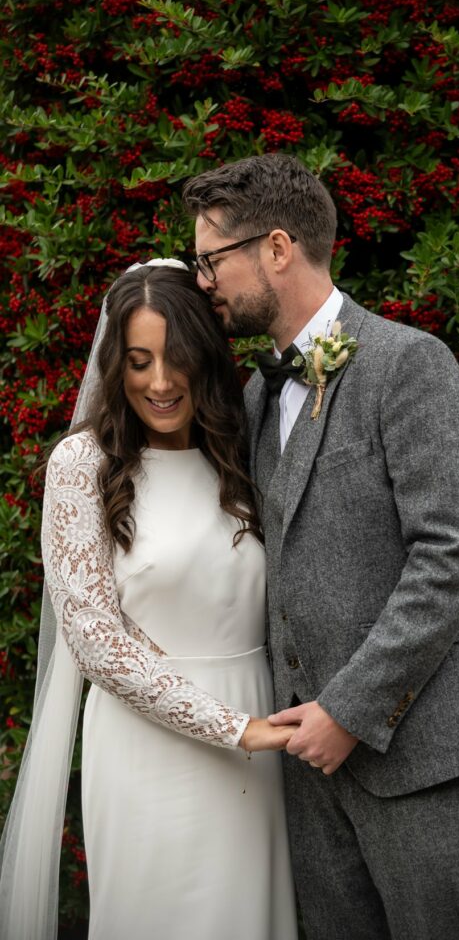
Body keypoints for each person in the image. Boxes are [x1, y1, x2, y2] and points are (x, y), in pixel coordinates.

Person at [182, 155, 459, 940]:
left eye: (212, 259)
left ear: (276, 248)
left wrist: (347, 709)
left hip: (420, 751)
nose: (203, 280)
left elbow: (448, 556)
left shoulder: (410, 363)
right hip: (308, 764)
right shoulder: (253, 391)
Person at [0, 262, 298, 940]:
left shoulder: (241, 452)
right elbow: (95, 641)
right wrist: (234, 729)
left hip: (261, 732)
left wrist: (263, 726)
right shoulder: (83, 465)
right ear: (115, 365)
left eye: (176, 359)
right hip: (150, 744)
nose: (159, 383)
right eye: (138, 362)